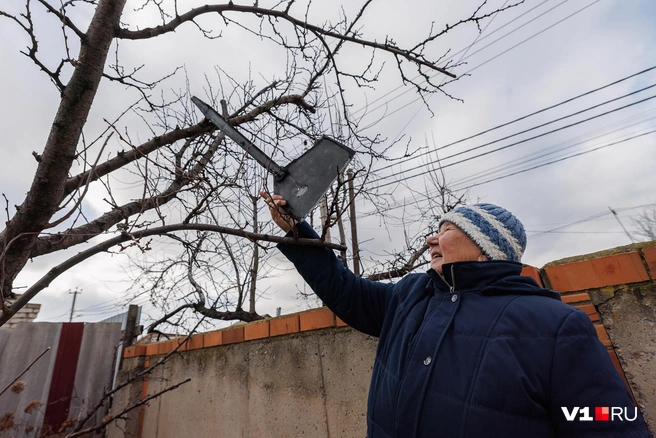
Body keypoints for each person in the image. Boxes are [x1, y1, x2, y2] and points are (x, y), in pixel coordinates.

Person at [261, 192, 650, 438]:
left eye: (445, 229)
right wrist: (299, 232)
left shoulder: (553, 325)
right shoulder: (410, 296)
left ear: (485, 247)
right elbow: (344, 290)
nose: (431, 238)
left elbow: (605, 419)